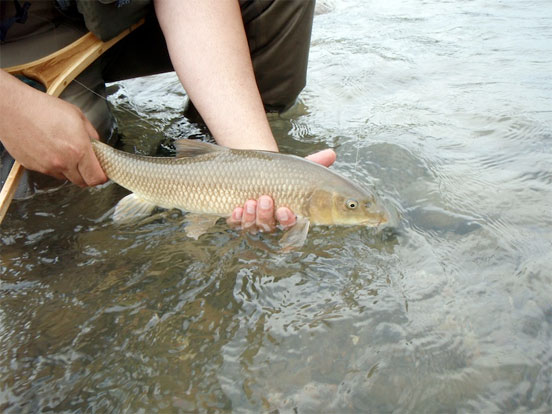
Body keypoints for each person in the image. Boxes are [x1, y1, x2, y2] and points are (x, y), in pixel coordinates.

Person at [0, 0, 336, 233]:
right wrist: (12, 109)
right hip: (15, 36)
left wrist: (258, 164)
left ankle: (197, 160)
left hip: (111, 13)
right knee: (64, 183)